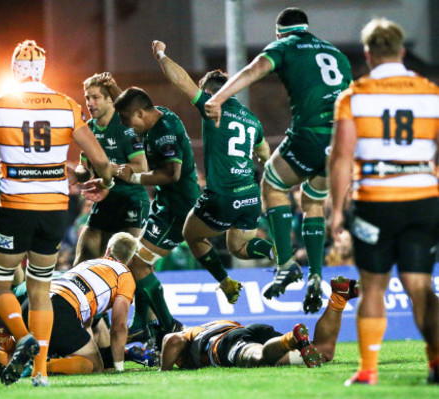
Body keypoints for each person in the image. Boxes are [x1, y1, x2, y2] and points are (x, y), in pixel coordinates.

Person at [0, 39, 113, 387]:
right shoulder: (66, 104)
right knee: (40, 289)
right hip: (54, 209)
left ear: (14, 70)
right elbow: (100, 161)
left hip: (15, 208)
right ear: (43, 70)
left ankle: (22, 338)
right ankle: (40, 371)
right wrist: (103, 183)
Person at [204, 7, 352, 314]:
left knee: (271, 185)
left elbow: (254, 70)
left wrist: (217, 98)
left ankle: (285, 263)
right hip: (338, 140)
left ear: (279, 33)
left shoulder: (284, 45)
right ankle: (315, 275)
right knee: (312, 202)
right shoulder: (336, 53)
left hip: (308, 134)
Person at [329, 18, 439, 385]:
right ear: (402, 51)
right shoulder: (429, 91)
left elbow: (341, 158)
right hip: (423, 197)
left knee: (373, 286)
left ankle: (368, 371)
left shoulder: (355, 96)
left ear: (368, 54)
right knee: (421, 285)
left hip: (376, 200)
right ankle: (436, 363)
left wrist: (337, 211)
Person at [152, 40, 273, 303]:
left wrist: (162, 55)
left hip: (223, 195)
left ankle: (225, 282)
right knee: (239, 248)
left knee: (190, 235)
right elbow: (264, 156)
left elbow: (181, 81)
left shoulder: (212, 106)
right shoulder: (252, 120)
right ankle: (276, 252)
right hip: (250, 195)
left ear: (209, 91)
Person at [107, 86, 201, 347]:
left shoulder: (164, 133)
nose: (125, 125)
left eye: (126, 119)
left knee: (138, 265)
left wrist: (133, 176)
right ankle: (143, 324)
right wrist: (116, 90)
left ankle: (167, 326)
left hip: (177, 209)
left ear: (139, 113)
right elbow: (134, 103)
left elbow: (173, 174)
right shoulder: (157, 117)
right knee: (141, 265)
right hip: (165, 206)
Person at [159, 276, 359, 370]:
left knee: (257, 358)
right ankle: (339, 297)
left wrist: (163, 369)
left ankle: (289, 339)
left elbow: (173, 339)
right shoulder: (205, 326)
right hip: (247, 330)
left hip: (225, 343)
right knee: (323, 352)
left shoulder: (187, 335)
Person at [18, 232, 137, 375]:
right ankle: (37, 366)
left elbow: (86, 324)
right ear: (130, 261)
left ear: (108, 251)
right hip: (60, 310)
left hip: (31, 304)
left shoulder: (88, 263)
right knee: (94, 365)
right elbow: (119, 327)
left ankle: (3, 362)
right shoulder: (125, 275)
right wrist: (118, 368)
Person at [73, 72, 149, 265]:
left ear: (109, 101)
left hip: (131, 201)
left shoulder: (125, 126)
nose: (90, 103)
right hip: (104, 200)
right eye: (87, 98)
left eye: (96, 97)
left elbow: (141, 167)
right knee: (84, 258)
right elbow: (85, 167)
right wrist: (76, 175)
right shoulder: (87, 129)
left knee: (133, 264)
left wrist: (108, 168)